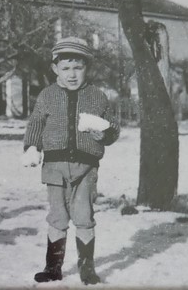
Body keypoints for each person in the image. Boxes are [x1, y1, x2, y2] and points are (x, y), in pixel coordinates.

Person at [21, 37, 120, 285]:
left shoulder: (98, 97)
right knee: (57, 216)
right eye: (65, 68)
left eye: (78, 68)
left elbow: (113, 128)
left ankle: (87, 267)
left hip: (86, 168)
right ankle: (53, 267)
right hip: (54, 167)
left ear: (87, 67)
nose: (72, 74)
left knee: (84, 216)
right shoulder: (47, 95)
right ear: (55, 69)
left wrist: (105, 134)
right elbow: (35, 123)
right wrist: (32, 147)